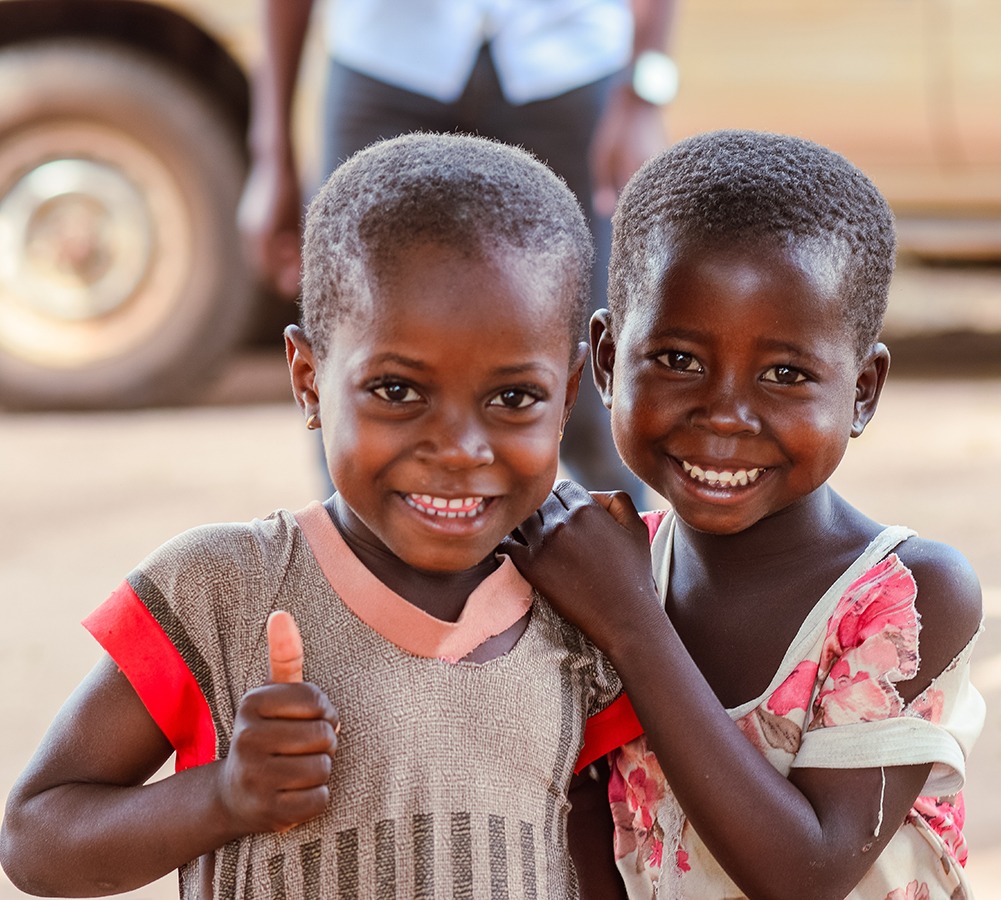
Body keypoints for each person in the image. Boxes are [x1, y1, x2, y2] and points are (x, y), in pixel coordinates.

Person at [0, 133, 623, 899]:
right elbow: (34, 839)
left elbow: (600, 851)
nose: (460, 449)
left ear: (564, 398)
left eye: (512, 398)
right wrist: (222, 797)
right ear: (308, 378)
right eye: (397, 391)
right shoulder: (222, 590)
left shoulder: (580, 600)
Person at [504, 130, 987, 898]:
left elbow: (805, 872)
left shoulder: (905, 598)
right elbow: (583, 831)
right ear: (603, 361)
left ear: (860, 392)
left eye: (785, 373)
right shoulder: (612, 568)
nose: (724, 415)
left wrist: (629, 622)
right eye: (678, 360)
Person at [238, 0, 680, 501]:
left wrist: (643, 94)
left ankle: (624, 568)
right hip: (385, 62)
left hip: (570, 66)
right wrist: (271, 152)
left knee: (595, 382)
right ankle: (354, 570)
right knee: (360, 355)